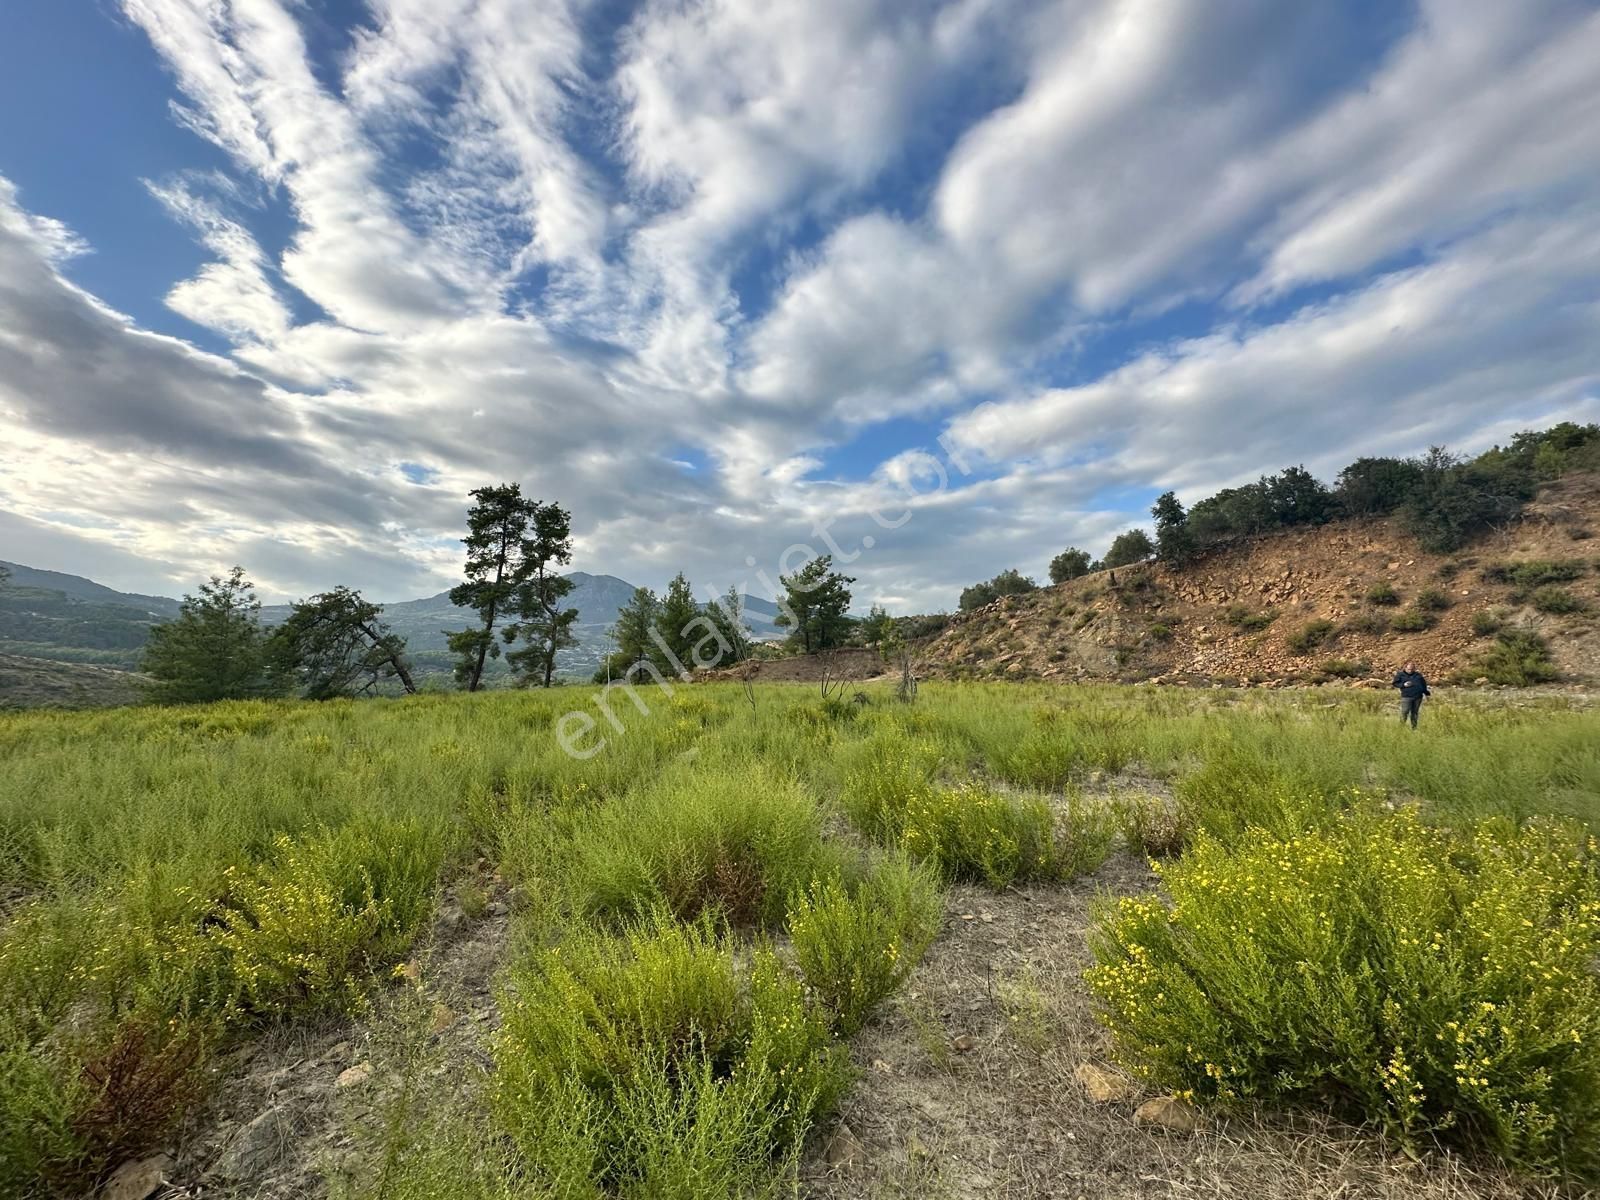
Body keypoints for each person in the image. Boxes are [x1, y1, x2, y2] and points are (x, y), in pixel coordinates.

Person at [1392, 660, 1431, 728]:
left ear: (1414, 669)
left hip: (1418, 697)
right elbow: (1395, 683)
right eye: (1409, 669)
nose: (1410, 671)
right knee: (1405, 712)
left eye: (1412, 669)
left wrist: (1426, 693)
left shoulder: (1418, 675)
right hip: (1407, 697)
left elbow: (1423, 685)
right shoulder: (1400, 675)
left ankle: (1414, 728)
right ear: (1405, 668)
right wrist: (1403, 685)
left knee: (1415, 713)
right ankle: (1401, 727)